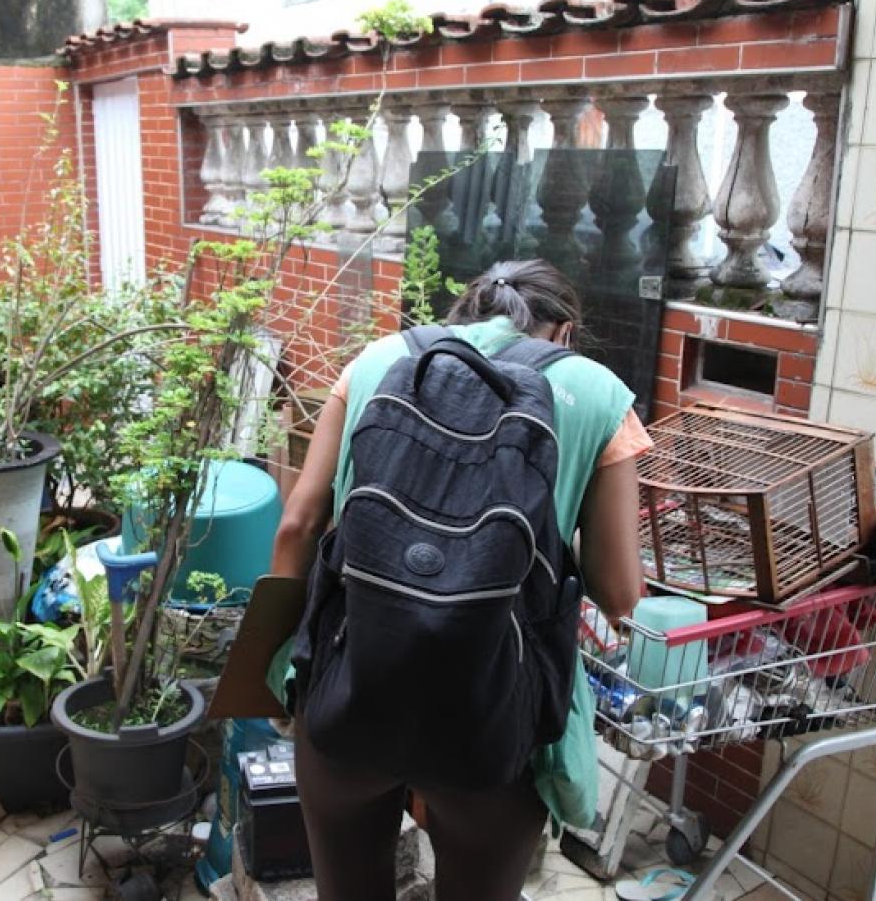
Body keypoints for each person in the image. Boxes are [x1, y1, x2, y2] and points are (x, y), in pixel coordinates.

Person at [269, 260, 648, 900]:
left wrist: (285, 672)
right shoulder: (599, 394)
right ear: (565, 332)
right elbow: (619, 593)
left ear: (466, 312)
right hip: (499, 721)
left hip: (349, 696)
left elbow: (299, 525)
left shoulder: (376, 361)